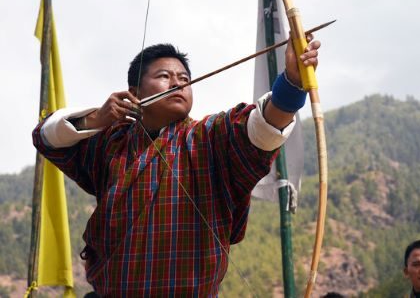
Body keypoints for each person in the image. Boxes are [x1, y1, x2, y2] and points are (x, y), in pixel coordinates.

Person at [32, 38, 320, 296]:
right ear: (134, 92)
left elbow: (262, 129)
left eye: (184, 78)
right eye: (164, 76)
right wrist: (95, 119)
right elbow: (45, 137)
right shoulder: (111, 142)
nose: (177, 83)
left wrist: (292, 84)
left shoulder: (209, 137)